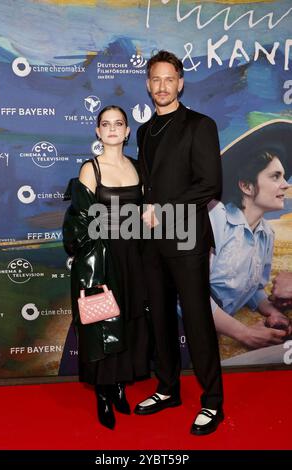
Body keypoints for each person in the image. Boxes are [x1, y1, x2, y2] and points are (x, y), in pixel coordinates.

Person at [134, 50, 224, 436]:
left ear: (181, 82)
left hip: (186, 238)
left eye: (169, 79)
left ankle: (213, 402)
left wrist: (159, 206)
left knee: (198, 320)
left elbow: (209, 185)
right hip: (151, 241)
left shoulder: (200, 125)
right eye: (155, 79)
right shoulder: (143, 131)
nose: (162, 87)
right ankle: (168, 387)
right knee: (160, 319)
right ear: (148, 84)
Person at [63, 105, 150, 430]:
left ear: (127, 131)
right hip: (99, 262)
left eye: (118, 124)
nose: (112, 129)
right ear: (98, 132)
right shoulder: (91, 170)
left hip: (133, 259)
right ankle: (102, 392)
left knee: (126, 321)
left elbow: (145, 216)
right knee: (101, 324)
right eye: (105, 124)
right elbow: (81, 224)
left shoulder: (138, 168)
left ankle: (118, 385)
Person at [209, 120, 292, 349]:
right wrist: (245, 334)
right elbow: (189, 295)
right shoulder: (215, 219)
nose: (285, 184)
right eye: (275, 176)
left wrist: (273, 312)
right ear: (246, 186)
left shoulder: (267, 234)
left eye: (284, 176)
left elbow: (254, 288)